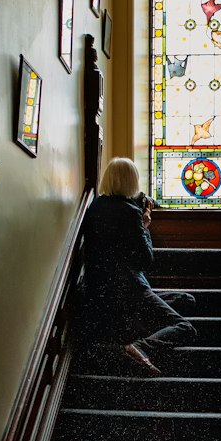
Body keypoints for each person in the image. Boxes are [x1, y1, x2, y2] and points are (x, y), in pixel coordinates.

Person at [82, 156, 195, 375]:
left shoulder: (94, 208)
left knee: (185, 300)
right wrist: (144, 225)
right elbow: (145, 260)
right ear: (131, 181)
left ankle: (136, 331)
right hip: (131, 291)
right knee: (185, 327)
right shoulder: (130, 212)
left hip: (102, 292)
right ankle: (138, 347)